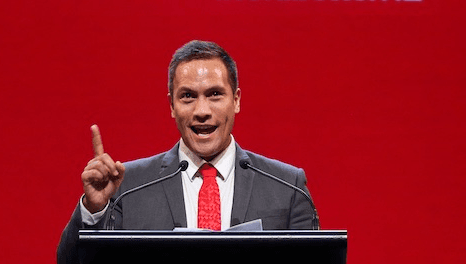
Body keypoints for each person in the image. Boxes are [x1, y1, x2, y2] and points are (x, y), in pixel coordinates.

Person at [57, 40, 316, 264]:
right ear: (171, 105)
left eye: (215, 94)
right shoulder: (127, 186)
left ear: (236, 100)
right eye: (188, 96)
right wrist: (94, 210)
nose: (202, 110)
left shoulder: (287, 186)